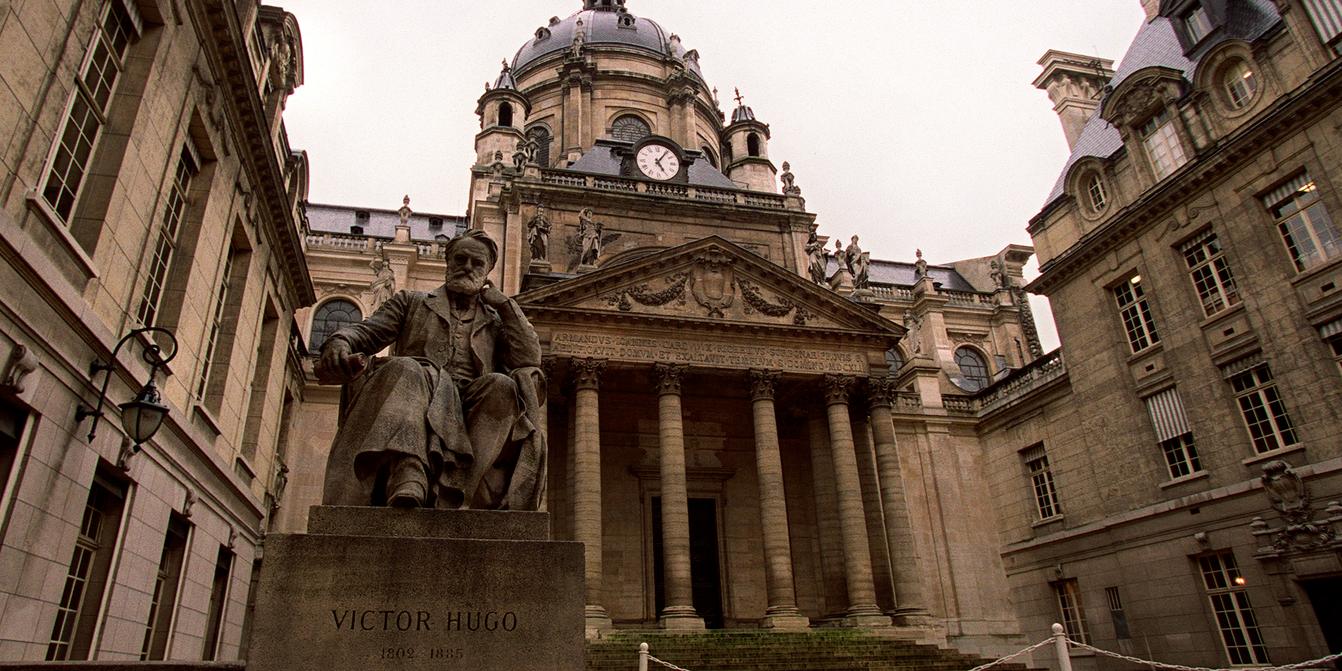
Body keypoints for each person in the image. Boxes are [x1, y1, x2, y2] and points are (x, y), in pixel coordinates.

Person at [315, 229, 546, 510]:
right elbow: (368, 332)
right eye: (460, 259)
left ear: (488, 272)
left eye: (477, 263)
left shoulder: (496, 319)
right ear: (448, 263)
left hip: (469, 400)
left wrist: (507, 306)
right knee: (408, 367)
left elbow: (530, 358)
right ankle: (409, 474)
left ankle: (460, 491)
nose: (467, 267)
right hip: (416, 391)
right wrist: (340, 339)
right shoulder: (411, 302)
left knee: (502, 386)